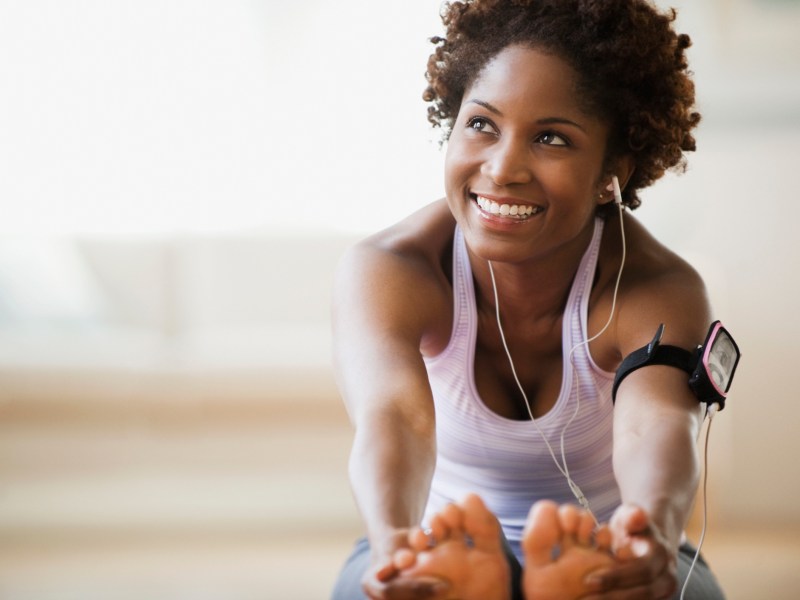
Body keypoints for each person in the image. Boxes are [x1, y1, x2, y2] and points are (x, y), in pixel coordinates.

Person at [331, 1, 725, 598]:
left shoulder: (656, 287)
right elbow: (395, 418)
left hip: (603, 539)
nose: (503, 167)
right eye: (482, 124)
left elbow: (658, 422)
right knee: (371, 587)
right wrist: (395, 544)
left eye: (551, 138)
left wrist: (651, 534)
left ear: (610, 172)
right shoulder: (392, 269)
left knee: (673, 590)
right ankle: (467, 577)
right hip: (439, 537)